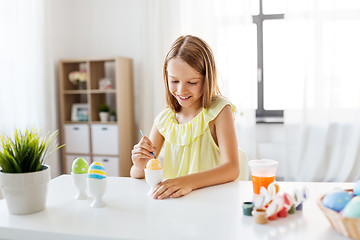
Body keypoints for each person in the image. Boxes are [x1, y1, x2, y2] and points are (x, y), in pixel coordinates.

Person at [131, 35, 239, 199]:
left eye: (192, 82)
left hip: (212, 203)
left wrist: (189, 182)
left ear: (207, 78)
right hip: (176, 206)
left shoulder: (219, 111)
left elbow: (232, 168)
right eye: (174, 81)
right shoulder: (164, 119)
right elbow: (136, 174)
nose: (181, 90)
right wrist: (140, 163)